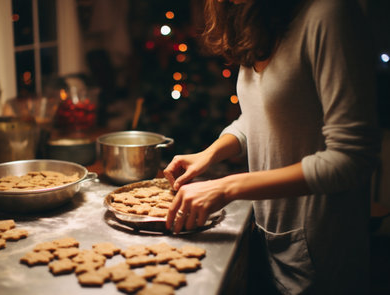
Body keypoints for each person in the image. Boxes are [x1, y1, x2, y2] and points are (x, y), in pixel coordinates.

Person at [163, 0, 381, 294]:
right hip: (270, 239)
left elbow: (351, 158)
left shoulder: (330, 14)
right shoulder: (256, 19)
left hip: (323, 252)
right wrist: (210, 154)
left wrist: (227, 186)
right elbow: (258, 115)